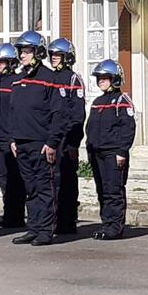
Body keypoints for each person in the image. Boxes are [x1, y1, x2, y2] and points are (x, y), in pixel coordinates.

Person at [5, 31, 71, 246]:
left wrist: (52, 143)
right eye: (21, 51)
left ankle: (45, 230)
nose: (22, 55)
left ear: (38, 53)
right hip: (21, 142)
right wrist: (12, 139)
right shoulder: (17, 80)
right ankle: (33, 228)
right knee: (30, 188)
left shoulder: (50, 79)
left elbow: (59, 114)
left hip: (42, 143)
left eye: (27, 51)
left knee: (45, 188)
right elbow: (13, 112)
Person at [86, 59, 135, 241]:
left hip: (113, 153)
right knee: (102, 190)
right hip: (97, 153)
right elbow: (90, 127)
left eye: (105, 78)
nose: (101, 81)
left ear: (115, 79)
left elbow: (128, 128)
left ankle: (115, 227)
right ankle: (106, 224)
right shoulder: (97, 101)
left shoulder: (122, 101)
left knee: (113, 190)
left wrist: (122, 151)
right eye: (99, 78)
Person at [43, 37, 88, 237]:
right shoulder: (49, 77)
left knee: (67, 180)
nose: (54, 58)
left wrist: (72, 141)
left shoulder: (73, 79)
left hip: (67, 139)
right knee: (52, 180)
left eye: (58, 55)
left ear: (67, 57)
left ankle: (67, 220)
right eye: (52, 54)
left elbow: (77, 114)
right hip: (51, 136)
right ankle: (51, 219)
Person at [0, 43, 26, 230]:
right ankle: (9, 214)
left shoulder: (16, 82)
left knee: (14, 178)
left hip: (10, 136)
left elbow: (18, 111)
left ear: (11, 62)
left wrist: (13, 137)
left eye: (1, 61)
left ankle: (15, 216)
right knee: (3, 177)